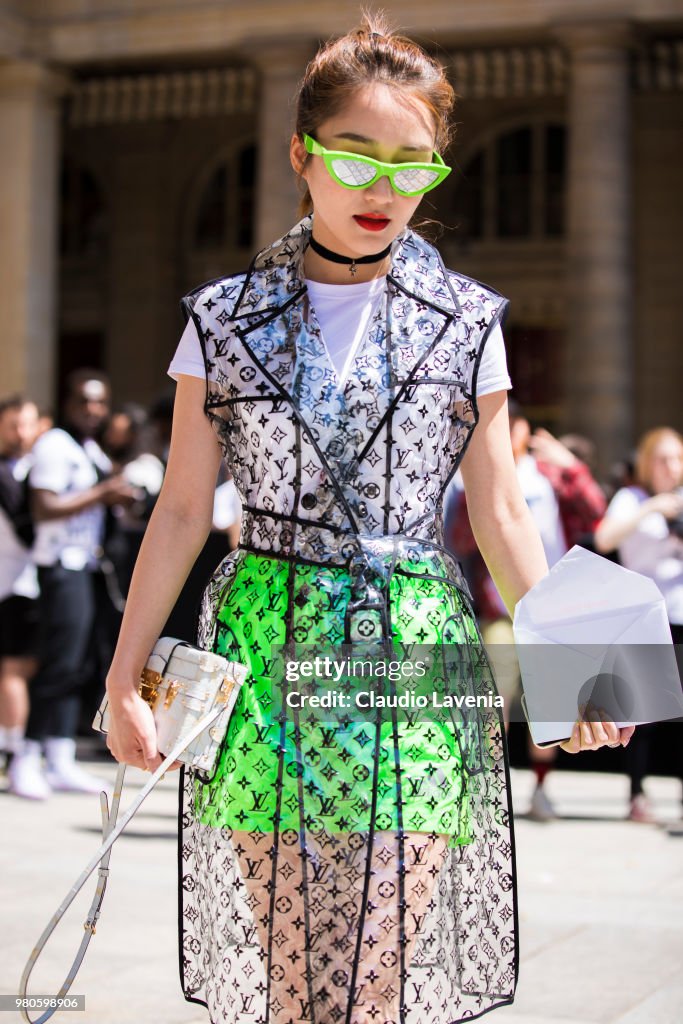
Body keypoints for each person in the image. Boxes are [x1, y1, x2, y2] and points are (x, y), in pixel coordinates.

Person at [104, 16, 633, 1024]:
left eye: (411, 167)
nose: (382, 190)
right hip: (265, 642)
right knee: (298, 979)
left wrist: (575, 660)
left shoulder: (462, 321)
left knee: (374, 976)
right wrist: (124, 676)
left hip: (414, 646)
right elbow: (179, 510)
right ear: (302, 156)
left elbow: (502, 511)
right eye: (355, 159)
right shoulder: (222, 318)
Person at [444, 403, 607, 821]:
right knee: (495, 699)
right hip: (503, 609)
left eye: (511, 427)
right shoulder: (476, 482)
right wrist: (470, 490)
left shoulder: (549, 476)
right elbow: (462, 541)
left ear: (525, 431)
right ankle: (485, 787)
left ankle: (540, 786)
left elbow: (595, 512)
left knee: (556, 701)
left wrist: (571, 467)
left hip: (563, 607)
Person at [10, 370, 137, 799]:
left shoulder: (88, 448)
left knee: (78, 663)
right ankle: (26, 755)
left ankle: (60, 755)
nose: (93, 410)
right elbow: (45, 506)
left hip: (86, 566)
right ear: (68, 403)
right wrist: (103, 493)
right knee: (57, 661)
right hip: (59, 567)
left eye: (100, 402)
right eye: (85, 401)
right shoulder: (54, 445)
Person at [594, 427, 683, 824]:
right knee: (642, 716)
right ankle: (636, 794)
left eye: (677, 458)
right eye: (662, 458)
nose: (671, 467)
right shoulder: (632, 498)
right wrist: (652, 508)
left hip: (681, 612)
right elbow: (604, 537)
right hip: (644, 619)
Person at [0, 395, 39, 781]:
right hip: (12, 586)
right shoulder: (7, 473)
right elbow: (28, 531)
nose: (21, 432)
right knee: (14, 670)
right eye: (13, 424)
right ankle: (12, 750)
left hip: (20, 586)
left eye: (27, 424)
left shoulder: (27, 468)